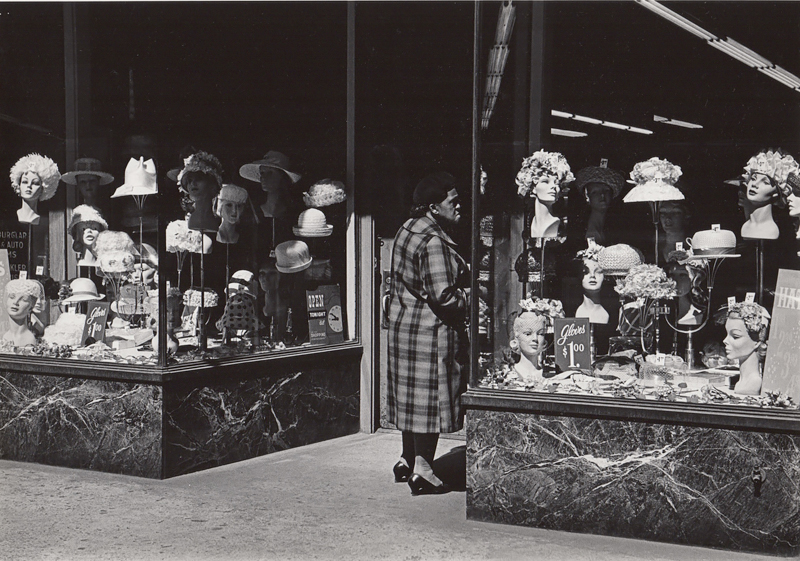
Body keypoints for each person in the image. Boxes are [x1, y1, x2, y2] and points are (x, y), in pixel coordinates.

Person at [386, 171, 469, 495]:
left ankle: (407, 458)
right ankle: (423, 468)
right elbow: (443, 295)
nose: (459, 206)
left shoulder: (409, 228)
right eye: (454, 201)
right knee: (429, 403)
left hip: (404, 326)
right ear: (434, 207)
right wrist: (472, 297)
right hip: (429, 334)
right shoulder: (435, 241)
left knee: (410, 400)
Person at [722, 301, 770, 395]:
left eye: (735, 336)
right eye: (727, 334)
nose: (725, 340)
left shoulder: (754, 384)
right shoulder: (740, 382)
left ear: (757, 342)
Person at [570, 165, 625, 246]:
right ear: (587, 197)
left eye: (606, 191)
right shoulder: (580, 229)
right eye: (595, 192)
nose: (602, 196)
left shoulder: (616, 226)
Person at [178, 151, 224, 232]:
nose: (193, 184)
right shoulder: (192, 220)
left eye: (199, 179)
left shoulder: (216, 219)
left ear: (212, 185)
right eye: (189, 180)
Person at [10, 153, 61, 225]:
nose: (29, 186)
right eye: (25, 182)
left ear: (43, 188)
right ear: (19, 185)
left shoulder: (44, 220)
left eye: (35, 183)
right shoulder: (10, 216)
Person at [3, 279, 45, 347]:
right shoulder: (5, 336)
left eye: (23, 299)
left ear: (31, 307)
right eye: (12, 297)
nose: (15, 302)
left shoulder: (28, 340)